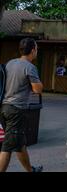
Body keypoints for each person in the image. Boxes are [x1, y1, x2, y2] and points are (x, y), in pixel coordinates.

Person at [0, 38, 43, 172]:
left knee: (19, 143)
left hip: (4, 108)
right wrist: (39, 84)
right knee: (8, 146)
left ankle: (30, 170)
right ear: (32, 50)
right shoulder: (30, 67)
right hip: (16, 111)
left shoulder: (9, 63)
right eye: (36, 49)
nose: (37, 51)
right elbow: (37, 90)